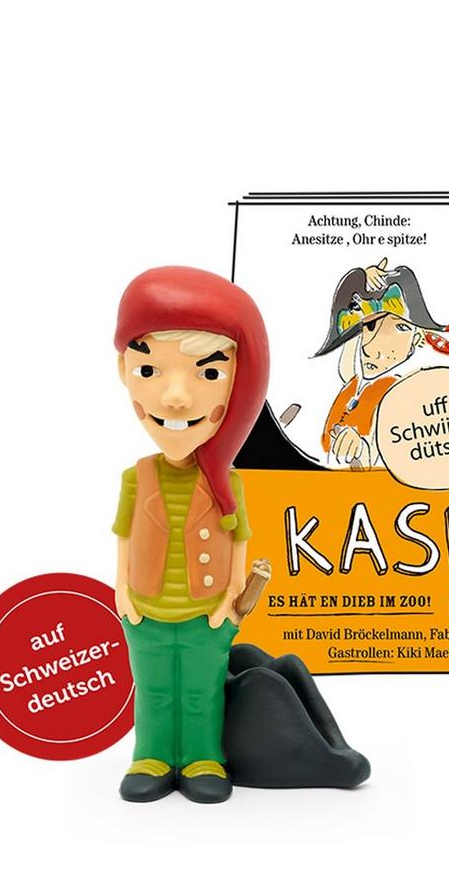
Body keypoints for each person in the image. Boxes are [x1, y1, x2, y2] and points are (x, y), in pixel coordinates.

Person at [111, 265, 269, 803]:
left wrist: (230, 599)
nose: (176, 398)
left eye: (208, 373)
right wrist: (121, 592)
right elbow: (124, 537)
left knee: (202, 692)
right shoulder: (137, 477)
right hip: (145, 612)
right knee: (153, 690)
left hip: (207, 615)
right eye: (149, 369)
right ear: (124, 369)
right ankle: (151, 755)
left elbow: (240, 540)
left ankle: (203, 757)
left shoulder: (229, 483)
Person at [314, 259, 449, 468]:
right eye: (370, 326)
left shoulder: (399, 393)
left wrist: (359, 449)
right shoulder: (354, 378)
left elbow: (382, 449)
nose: (372, 347)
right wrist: (361, 285)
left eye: (400, 328)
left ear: (416, 339)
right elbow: (350, 339)